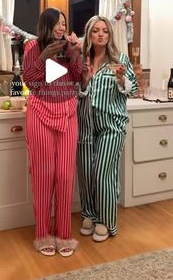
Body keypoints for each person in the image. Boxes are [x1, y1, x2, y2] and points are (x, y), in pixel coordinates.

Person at [23, 7, 82, 257]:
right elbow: (30, 81)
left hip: (68, 112)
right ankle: (43, 234)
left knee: (66, 175)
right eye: (57, 23)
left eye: (64, 23)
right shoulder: (31, 47)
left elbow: (79, 78)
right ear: (46, 25)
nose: (61, 27)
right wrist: (43, 57)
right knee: (43, 175)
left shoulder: (68, 49)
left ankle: (64, 234)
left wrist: (76, 53)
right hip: (39, 113)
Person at [77, 15, 138, 242]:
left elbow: (132, 90)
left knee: (103, 173)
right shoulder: (82, 60)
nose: (101, 34)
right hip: (85, 124)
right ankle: (89, 214)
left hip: (111, 125)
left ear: (110, 35)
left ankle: (105, 220)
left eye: (105, 31)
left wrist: (122, 80)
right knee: (86, 173)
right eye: (96, 30)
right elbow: (76, 92)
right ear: (89, 34)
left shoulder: (120, 59)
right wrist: (84, 79)